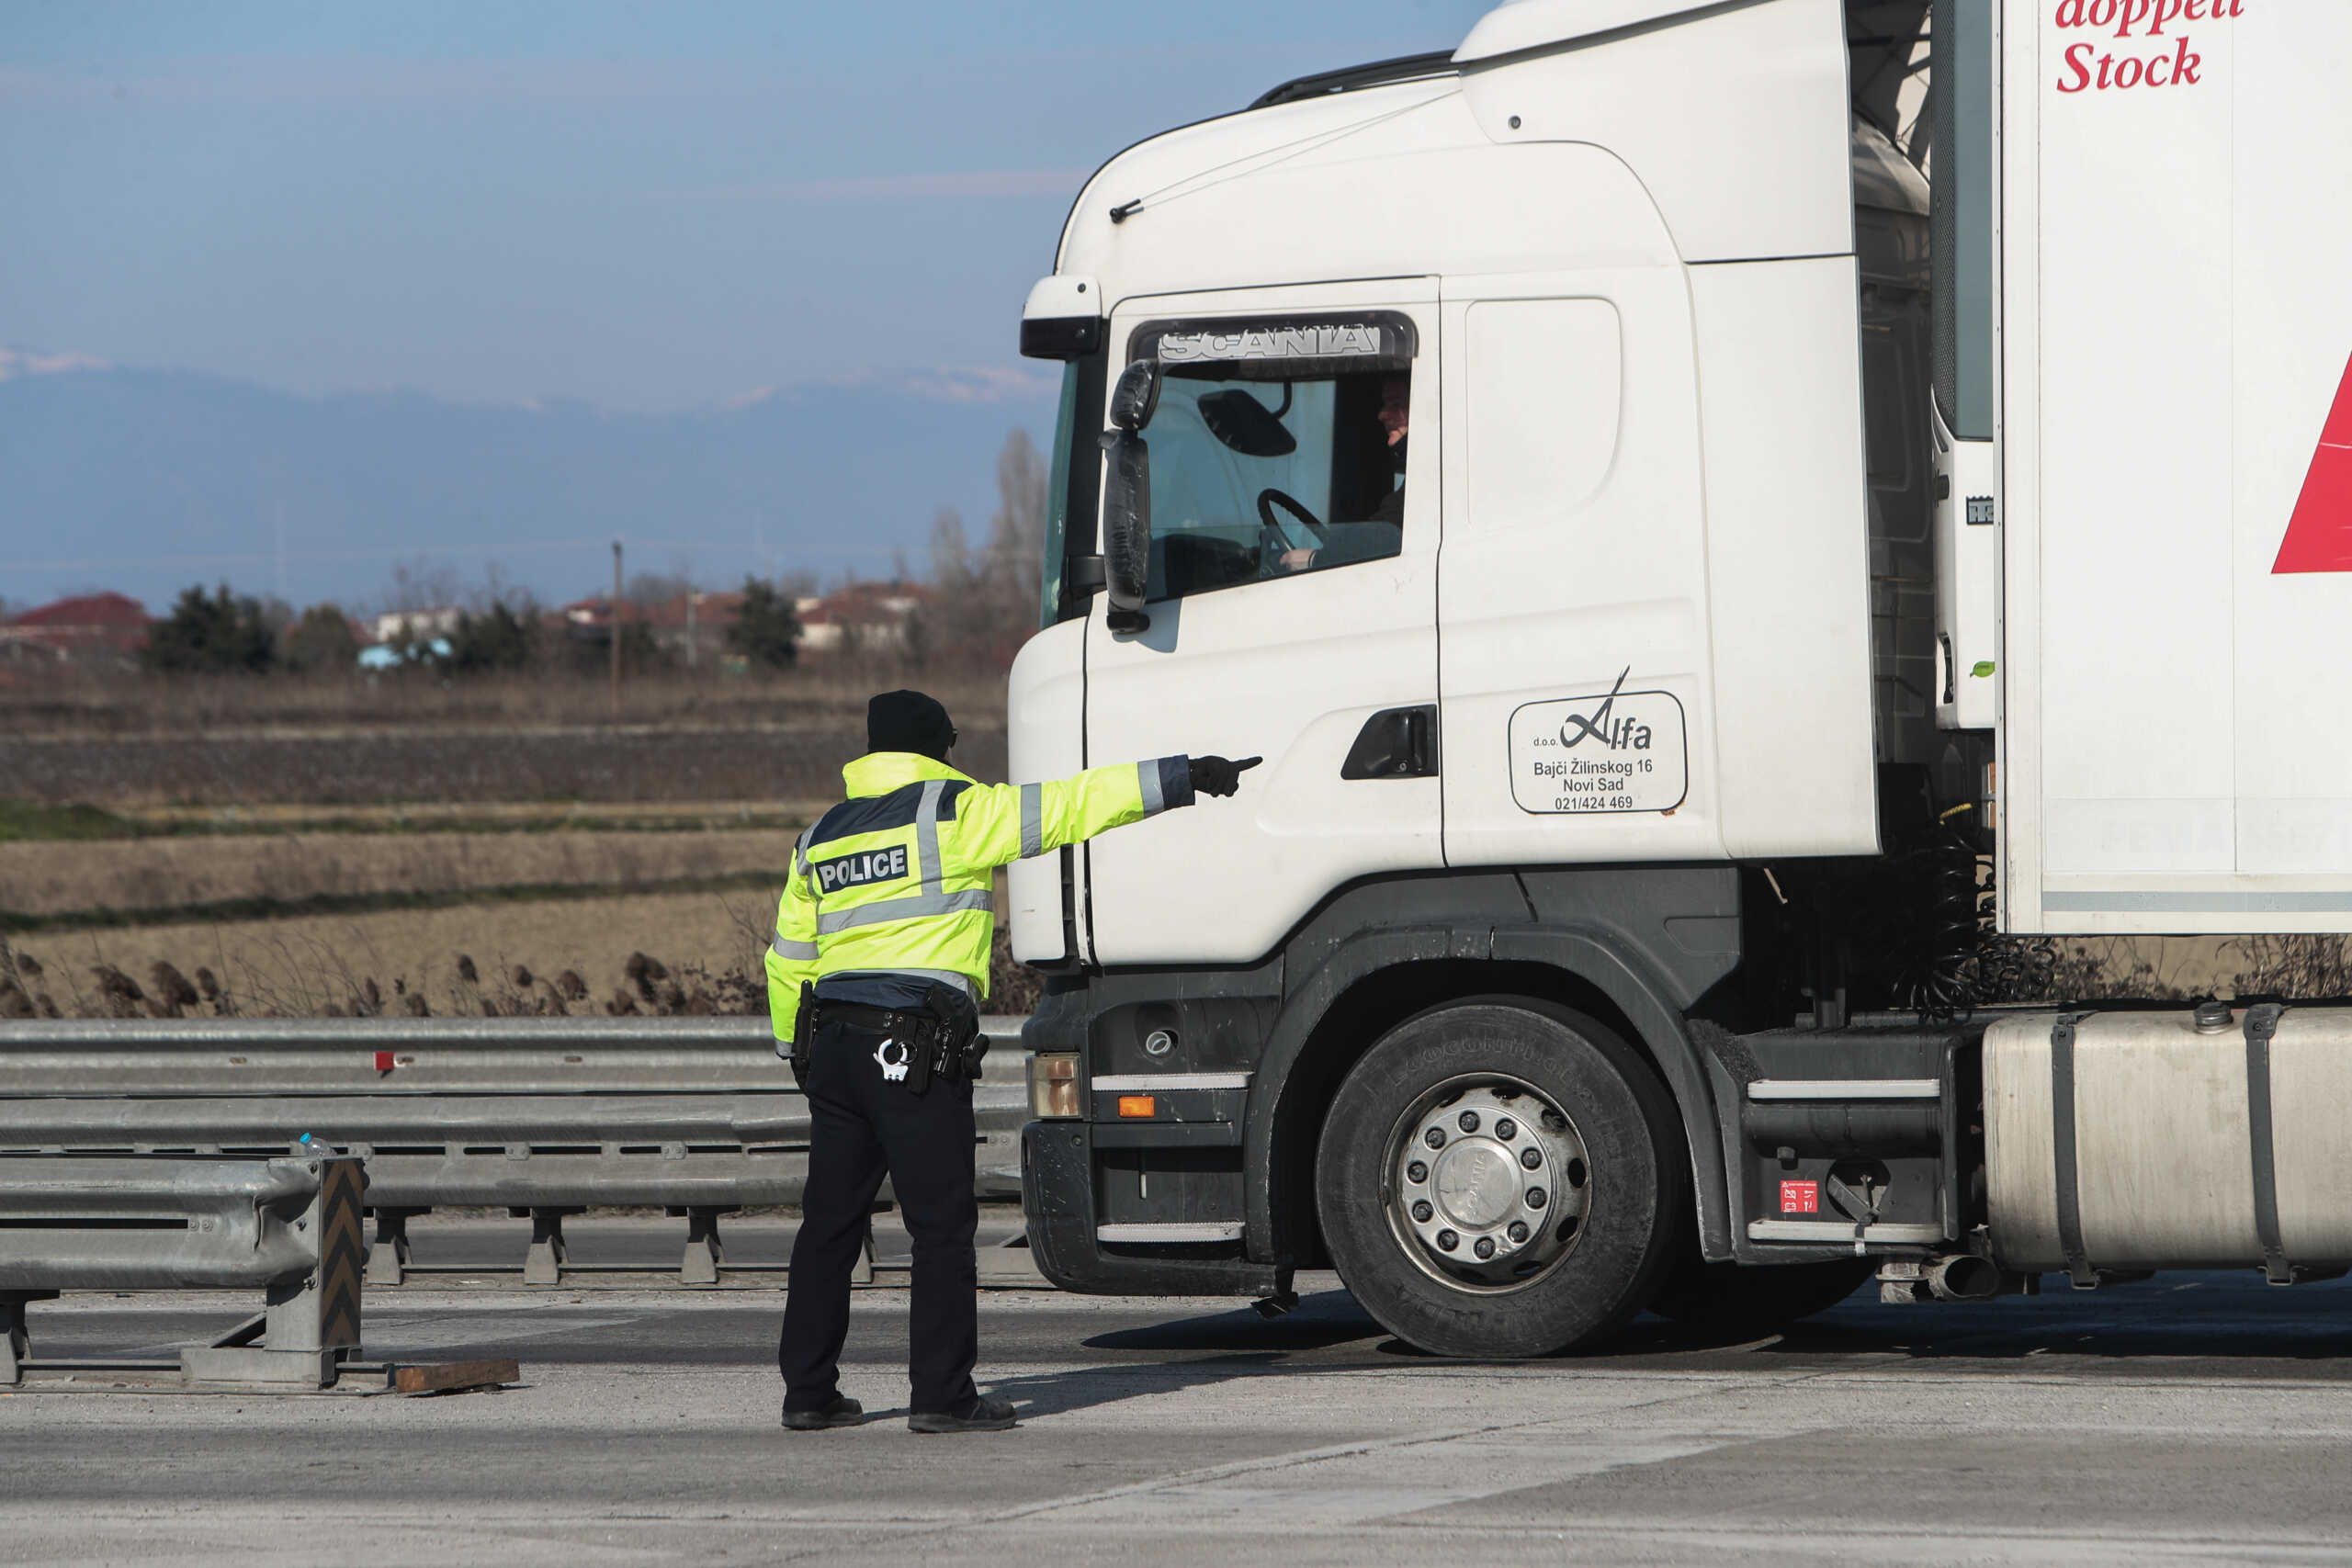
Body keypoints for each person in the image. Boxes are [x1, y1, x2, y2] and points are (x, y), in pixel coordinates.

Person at [767, 690, 1258, 1434]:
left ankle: (807, 1391)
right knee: (938, 1227)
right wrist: (1184, 775)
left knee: (828, 1223)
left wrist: (792, 1049)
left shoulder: (819, 837)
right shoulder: (951, 813)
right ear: (936, 746)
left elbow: (788, 957)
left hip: (831, 1042)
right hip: (912, 1041)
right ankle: (941, 1395)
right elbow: (1072, 805)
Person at [1278, 374, 1409, 572]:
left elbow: (1386, 535)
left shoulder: (1431, 484)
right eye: (1385, 404)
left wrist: (1315, 560)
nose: (1382, 414)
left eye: (1396, 403)